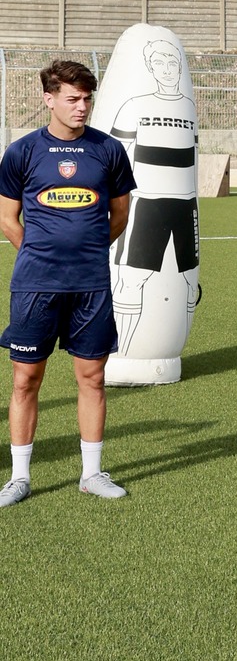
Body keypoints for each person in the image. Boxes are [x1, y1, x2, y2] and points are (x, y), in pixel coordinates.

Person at [0, 59, 136, 506]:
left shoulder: (109, 151)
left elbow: (120, 214)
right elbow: (7, 217)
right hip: (35, 285)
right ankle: (19, 477)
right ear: (49, 98)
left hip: (90, 285)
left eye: (87, 99)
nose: (82, 107)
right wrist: (41, 252)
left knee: (92, 378)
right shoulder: (21, 152)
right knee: (25, 380)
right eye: (73, 99)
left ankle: (92, 473)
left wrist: (86, 251)